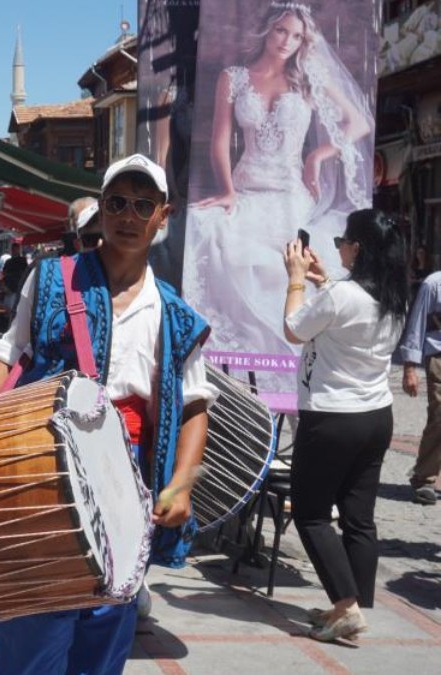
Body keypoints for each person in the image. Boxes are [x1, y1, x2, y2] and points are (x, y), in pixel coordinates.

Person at [0, 154, 215, 674]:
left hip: (128, 474)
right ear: (102, 208)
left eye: (144, 205)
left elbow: (194, 406)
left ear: (164, 215)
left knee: (107, 615)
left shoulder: (175, 313)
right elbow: (10, 353)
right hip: (44, 465)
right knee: (36, 612)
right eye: (118, 202)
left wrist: (181, 484)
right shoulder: (51, 279)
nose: (129, 215)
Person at [183, 2, 375, 372]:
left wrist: (317, 156)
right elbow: (220, 141)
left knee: (283, 262)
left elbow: (358, 122)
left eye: (297, 35)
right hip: (245, 188)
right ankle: (228, 365)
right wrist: (227, 190)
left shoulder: (306, 78)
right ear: (267, 30)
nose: (288, 40)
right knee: (205, 226)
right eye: (281, 31)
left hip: (289, 197)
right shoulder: (234, 76)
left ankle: (293, 360)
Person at [282, 208, 408, 641]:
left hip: (333, 416)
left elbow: (294, 330)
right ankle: (351, 606)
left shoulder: (342, 297)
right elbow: (351, 310)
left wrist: (297, 278)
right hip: (376, 415)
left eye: (342, 242)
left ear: (359, 248)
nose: (338, 249)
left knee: (312, 513)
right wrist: (324, 281)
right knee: (359, 518)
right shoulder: (393, 296)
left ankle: (347, 607)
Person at [400, 267, 441, 506]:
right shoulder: (433, 284)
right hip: (438, 356)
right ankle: (424, 478)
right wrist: (409, 368)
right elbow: (416, 325)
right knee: (440, 416)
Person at [0, 242, 29, 310]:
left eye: (16, 249)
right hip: (11, 289)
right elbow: (4, 274)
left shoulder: (22, 260)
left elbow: (25, 273)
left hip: (17, 289)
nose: (15, 251)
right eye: (14, 249)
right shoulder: (9, 261)